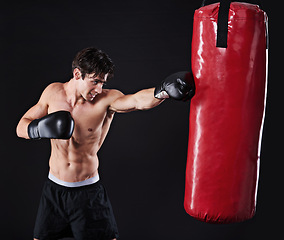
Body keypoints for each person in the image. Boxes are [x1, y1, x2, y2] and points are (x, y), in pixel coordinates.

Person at [16, 47, 194, 240]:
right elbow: (21, 127)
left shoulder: (106, 100)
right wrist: (39, 129)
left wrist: (162, 91)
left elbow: (135, 101)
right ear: (77, 74)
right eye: (95, 82)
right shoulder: (52, 93)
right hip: (54, 189)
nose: (99, 89)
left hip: (88, 192)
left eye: (102, 82)